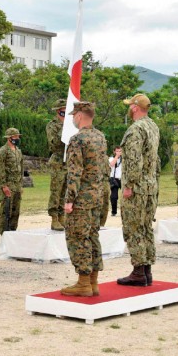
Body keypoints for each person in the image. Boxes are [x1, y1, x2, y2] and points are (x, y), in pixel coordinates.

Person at [61, 101, 107, 297]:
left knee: (78, 238)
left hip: (81, 198)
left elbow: (74, 172)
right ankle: (93, 282)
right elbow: (105, 168)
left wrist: (69, 199)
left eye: (73, 115)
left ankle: (83, 283)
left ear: (80, 116)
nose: (72, 118)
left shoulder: (78, 139)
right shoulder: (100, 137)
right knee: (92, 236)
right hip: (97, 197)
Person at [116, 93, 160, 286]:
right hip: (150, 186)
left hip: (137, 187)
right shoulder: (153, 126)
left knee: (133, 227)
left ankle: (138, 271)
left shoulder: (136, 129)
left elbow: (134, 161)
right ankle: (147, 269)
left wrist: (129, 185)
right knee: (145, 227)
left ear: (135, 107)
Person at [0, 127, 23, 235]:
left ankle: (12, 233)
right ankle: (4, 234)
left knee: (15, 212)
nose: (17, 138)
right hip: (8, 186)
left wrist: (21, 185)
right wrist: (3, 186)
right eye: (15, 137)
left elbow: (21, 169)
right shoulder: (2, 151)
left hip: (17, 187)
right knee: (6, 212)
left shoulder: (18, 151)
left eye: (18, 136)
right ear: (9, 138)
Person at [46, 98, 67, 231]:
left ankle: (62, 216)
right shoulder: (52, 125)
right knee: (56, 191)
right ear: (59, 111)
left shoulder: (72, 124)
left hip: (68, 161)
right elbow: (53, 144)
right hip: (57, 162)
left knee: (65, 191)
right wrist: (64, 128)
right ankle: (54, 218)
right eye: (64, 110)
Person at [108, 146, 123, 217]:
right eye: (117, 151)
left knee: (126, 196)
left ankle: (125, 211)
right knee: (114, 196)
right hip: (114, 179)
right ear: (114, 151)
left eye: (120, 151)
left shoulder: (124, 159)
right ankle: (114, 211)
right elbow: (112, 164)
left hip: (122, 179)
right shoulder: (111, 158)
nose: (119, 152)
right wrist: (116, 157)